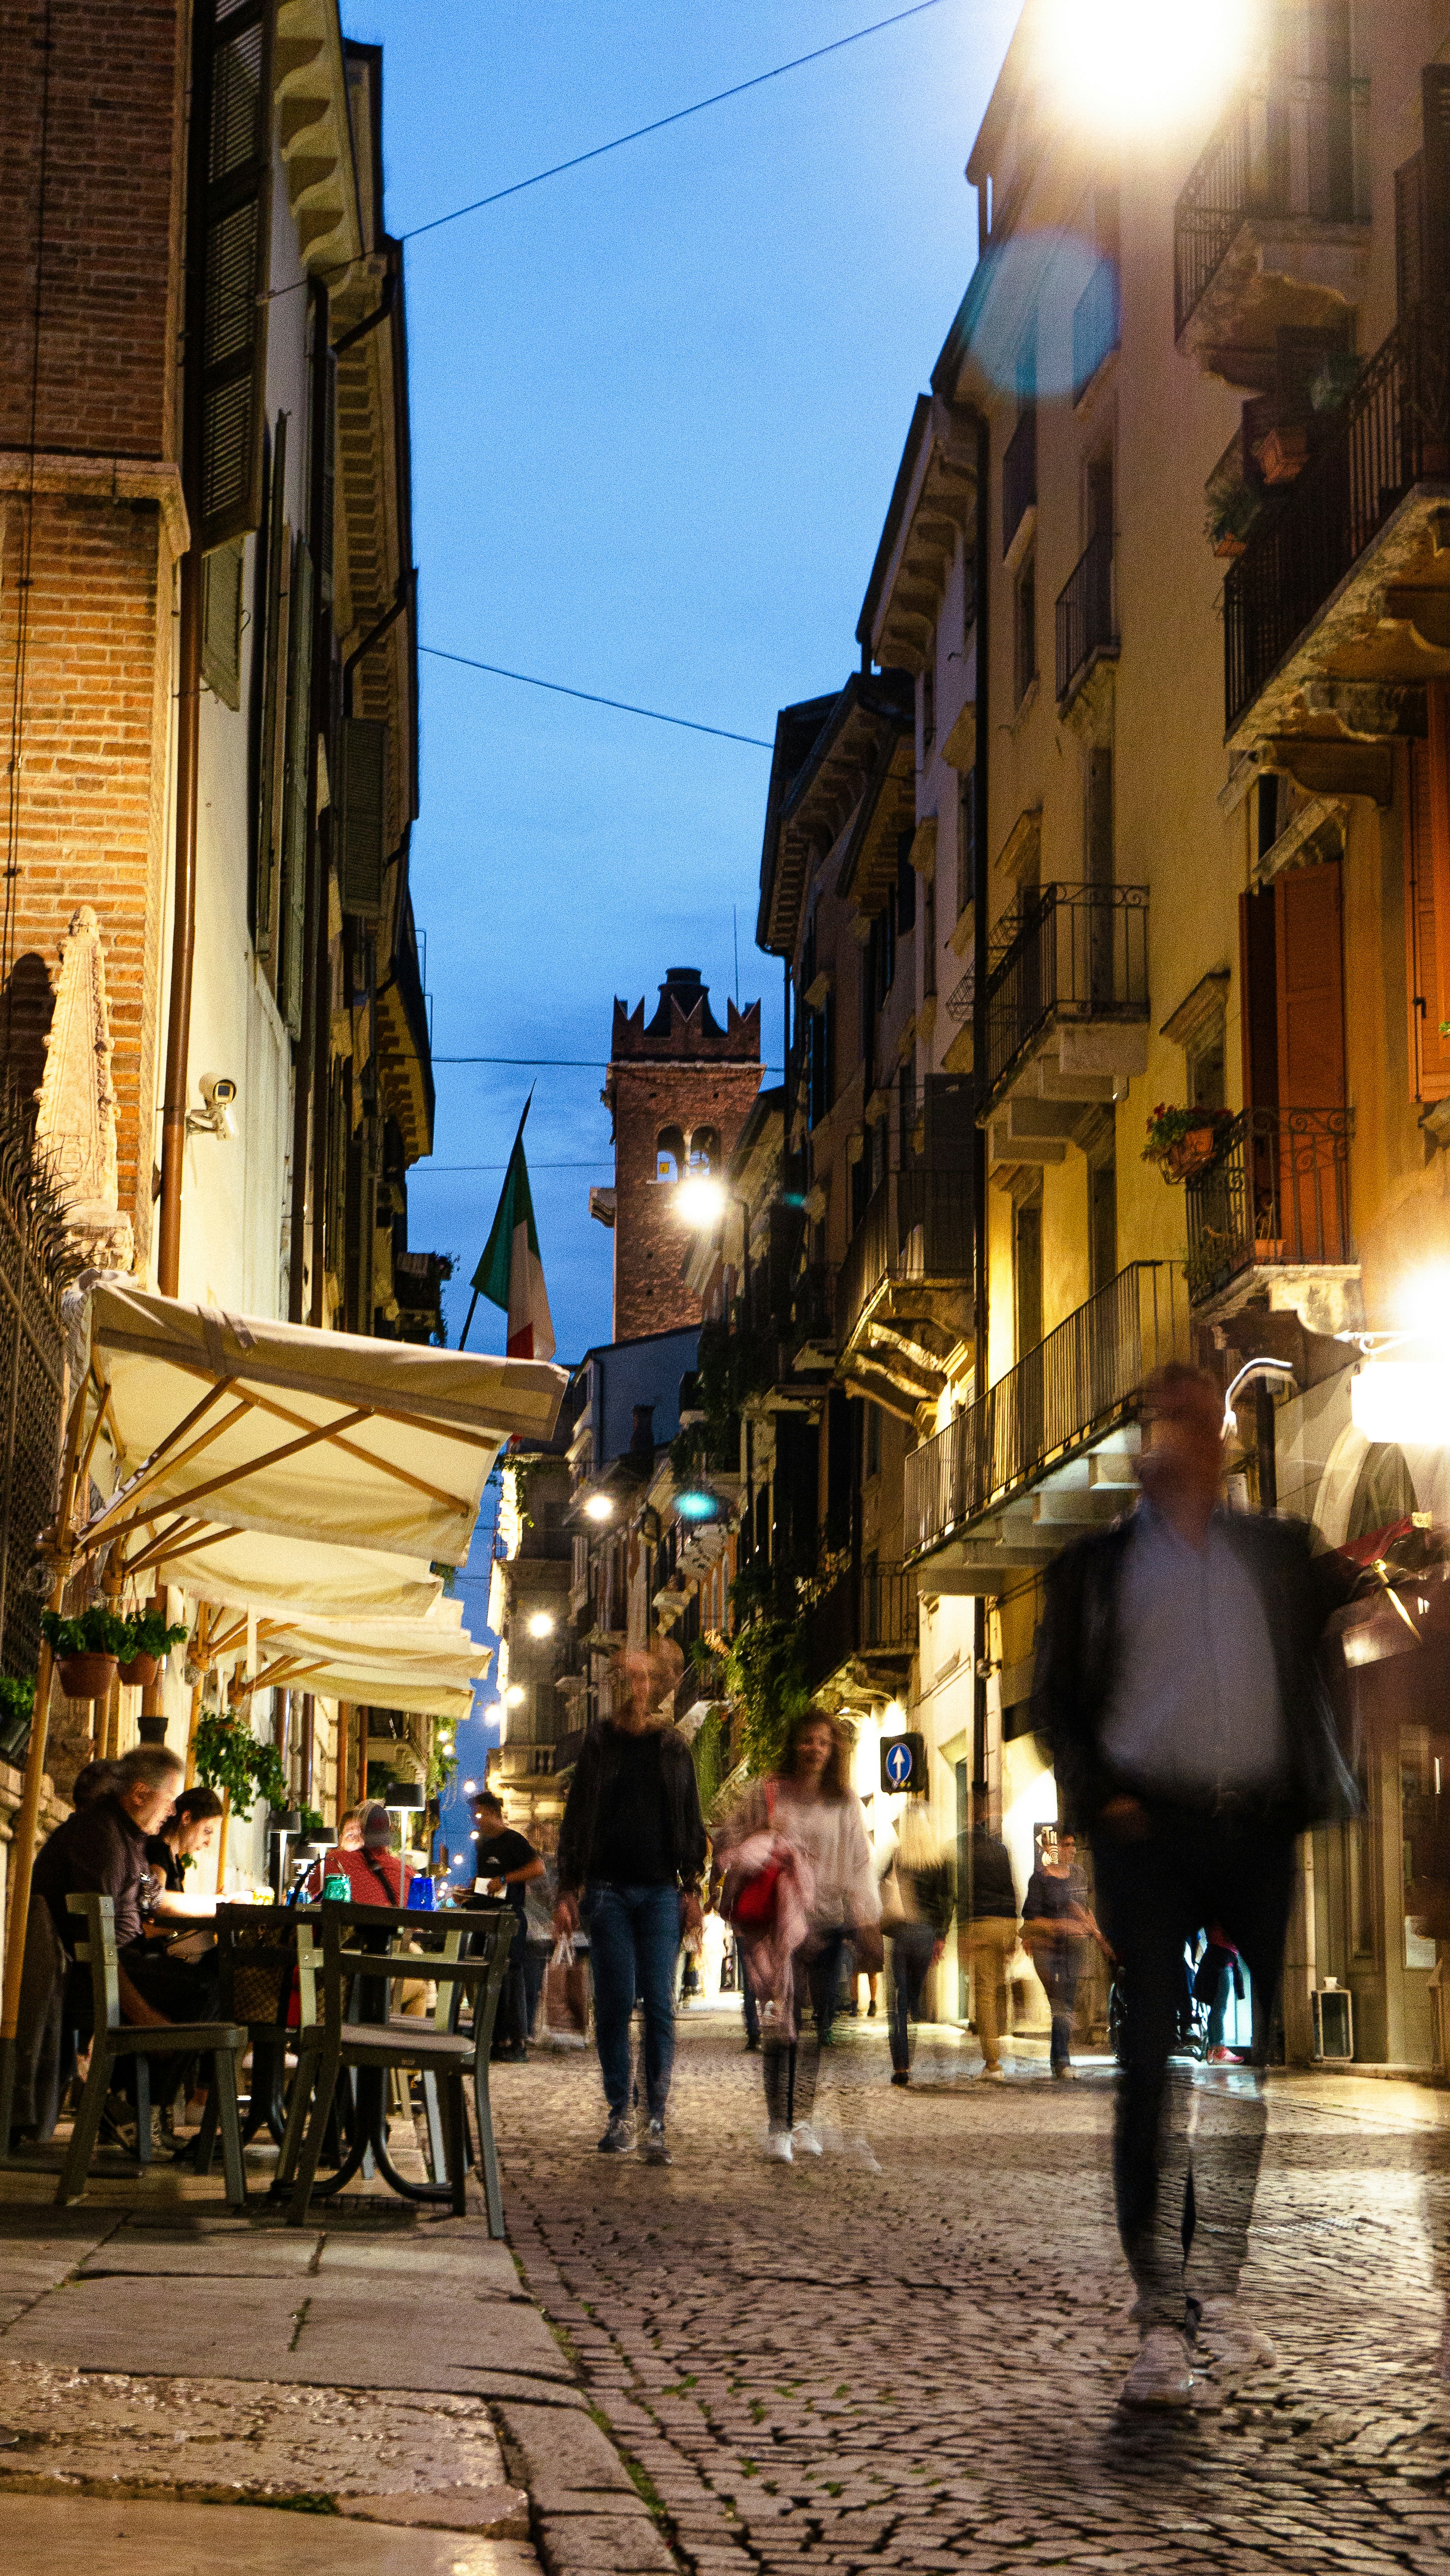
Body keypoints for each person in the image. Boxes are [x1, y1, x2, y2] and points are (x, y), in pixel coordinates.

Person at [1034, 1359, 1361, 2410]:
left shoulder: (1275, 1552)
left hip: (1254, 1829)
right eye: (1166, 1417)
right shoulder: (1097, 1569)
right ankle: (1160, 2315)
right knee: (1150, 2066)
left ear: (1222, 1439)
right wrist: (1103, 1804)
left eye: (1200, 1417)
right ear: (1144, 1442)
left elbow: (1334, 1650)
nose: (1188, 1434)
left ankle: (1213, 2286)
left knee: (1244, 2073)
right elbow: (1057, 1703)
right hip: (1149, 1830)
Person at [555, 1643, 707, 2165]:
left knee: (660, 2006)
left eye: (644, 1679)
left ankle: (656, 2116)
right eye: (626, 1679)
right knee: (616, 2004)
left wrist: (694, 1891)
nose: (636, 1688)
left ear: (655, 1687)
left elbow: (690, 1819)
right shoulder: (597, 1743)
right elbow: (577, 1819)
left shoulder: (673, 1746)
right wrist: (566, 1891)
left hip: (663, 1891)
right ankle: (621, 2109)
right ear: (615, 1685)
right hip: (607, 1891)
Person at [720, 1710, 882, 2164]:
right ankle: (778, 2126)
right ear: (794, 1743)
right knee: (781, 2027)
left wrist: (867, 1920)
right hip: (777, 1926)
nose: (814, 1749)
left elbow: (858, 1863)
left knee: (813, 2029)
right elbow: (730, 1836)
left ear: (833, 1751)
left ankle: (803, 2119)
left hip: (828, 1923)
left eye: (823, 1743)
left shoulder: (845, 1801)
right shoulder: (769, 1791)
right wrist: (760, 1835)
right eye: (808, 1740)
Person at [31, 1745, 218, 2026]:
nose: (171, 1811)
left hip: (119, 1961)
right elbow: (97, 1944)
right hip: (85, 1977)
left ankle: (139, 2067)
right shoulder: (103, 1839)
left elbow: (149, 1899)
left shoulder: (130, 1837)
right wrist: (145, 2016)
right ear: (140, 1794)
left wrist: (218, 1903)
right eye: (169, 1800)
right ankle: (149, 2063)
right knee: (210, 1987)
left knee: (215, 1974)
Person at [1021, 1830, 1107, 2081]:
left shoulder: (1079, 1875)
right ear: (1052, 1848)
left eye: (1073, 1845)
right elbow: (1032, 1917)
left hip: (1074, 1947)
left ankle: (1061, 2059)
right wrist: (1060, 1926)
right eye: (1066, 1845)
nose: (1071, 1850)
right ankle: (1060, 2059)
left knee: (1065, 2002)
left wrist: (1096, 1933)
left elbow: (1085, 1908)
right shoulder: (1039, 1880)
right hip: (1046, 1946)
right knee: (1058, 2003)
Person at [881, 1805, 953, 2085]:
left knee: (896, 2003)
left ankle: (902, 2067)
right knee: (912, 2000)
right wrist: (941, 1935)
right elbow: (948, 1899)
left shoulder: (898, 1856)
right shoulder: (940, 1859)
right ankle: (916, 2026)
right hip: (925, 1936)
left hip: (901, 1934)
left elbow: (880, 1886)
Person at [470, 1788, 544, 2061]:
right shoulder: (485, 1846)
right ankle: (495, 2038)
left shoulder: (514, 1841)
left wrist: (505, 1879)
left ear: (492, 1814)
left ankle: (517, 2042)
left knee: (511, 1979)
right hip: (487, 1919)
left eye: (479, 1814)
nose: (476, 1820)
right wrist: (470, 1890)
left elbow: (538, 1868)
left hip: (509, 1919)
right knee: (490, 1980)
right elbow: (485, 1882)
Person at [960, 1813, 1018, 2083]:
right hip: (1005, 1922)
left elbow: (964, 1891)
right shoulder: (1001, 1849)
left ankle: (993, 2063)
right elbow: (1011, 1888)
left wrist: (964, 1931)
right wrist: (1013, 1929)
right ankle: (998, 2049)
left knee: (984, 1994)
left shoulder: (966, 1851)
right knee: (996, 1988)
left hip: (981, 1923)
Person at [144, 1784, 224, 1920]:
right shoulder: (158, 1854)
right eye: (207, 1831)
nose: (208, 1843)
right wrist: (216, 1905)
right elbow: (153, 1906)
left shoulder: (174, 1861)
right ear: (187, 1818)